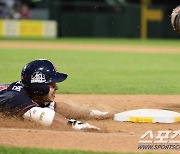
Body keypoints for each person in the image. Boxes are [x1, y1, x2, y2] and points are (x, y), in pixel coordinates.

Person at [0, 59, 113, 131]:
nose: (57, 88)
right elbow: (44, 115)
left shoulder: (32, 94)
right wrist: (79, 125)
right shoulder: (15, 97)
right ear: (39, 87)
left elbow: (58, 108)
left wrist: (97, 115)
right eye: (52, 85)